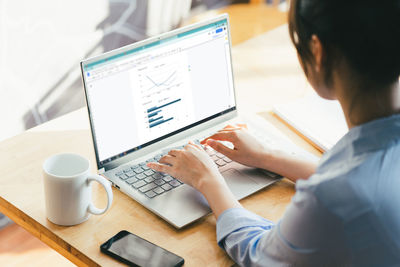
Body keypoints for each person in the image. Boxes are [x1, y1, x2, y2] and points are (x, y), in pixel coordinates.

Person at [148, 0, 400, 265]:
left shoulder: (332, 199)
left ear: (318, 52)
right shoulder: (358, 175)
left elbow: (259, 255)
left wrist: (208, 181)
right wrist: (269, 157)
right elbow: (364, 171)